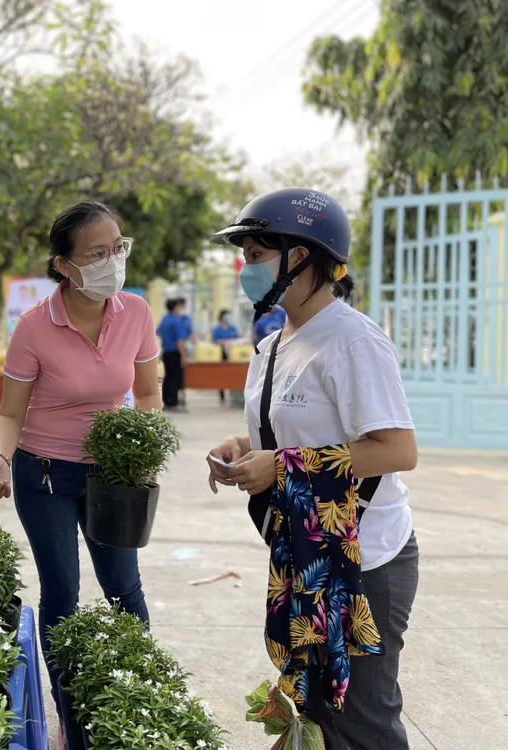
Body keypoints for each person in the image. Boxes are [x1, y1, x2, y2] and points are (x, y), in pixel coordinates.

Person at [207, 189, 418, 750]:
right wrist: (239, 447)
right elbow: (278, 438)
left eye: (256, 255)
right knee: (319, 714)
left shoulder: (352, 340)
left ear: (302, 258)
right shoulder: (273, 345)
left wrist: (281, 467)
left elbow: (398, 451)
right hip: (306, 556)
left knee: (365, 720)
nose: (245, 269)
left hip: (364, 561)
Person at [0, 201, 160, 749]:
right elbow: (10, 413)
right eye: (97, 254)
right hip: (46, 475)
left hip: (114, 475)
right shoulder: (34, 327)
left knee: (124, 587)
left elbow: (147, 393)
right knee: (63, 591)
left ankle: (136, 701)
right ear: (64, 266)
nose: (112, 261)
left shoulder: (137, 312)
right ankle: (73, 720)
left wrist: (145, 447)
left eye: (117, 248)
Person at [156, 297, 193, 411]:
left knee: (168, 377)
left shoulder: (165, 319)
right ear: (176, 307)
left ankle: (166, 400)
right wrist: (183, 355)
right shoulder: (177, 321)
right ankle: (173, 401)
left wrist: (167, 340)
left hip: (166, 351)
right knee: (176, 377)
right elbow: (180, 341)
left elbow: (158, 332)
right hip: (175, 352)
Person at [211, 309, 240, 403]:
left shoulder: (233, 328)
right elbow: (214, 341)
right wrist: (222, 342)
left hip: (233, 354)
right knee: (221, 374)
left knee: (234, 374)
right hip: (221, 354)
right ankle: (222, 395)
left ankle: (234, 395)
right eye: (226, 315)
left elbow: (237, 339)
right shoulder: (217, 329)